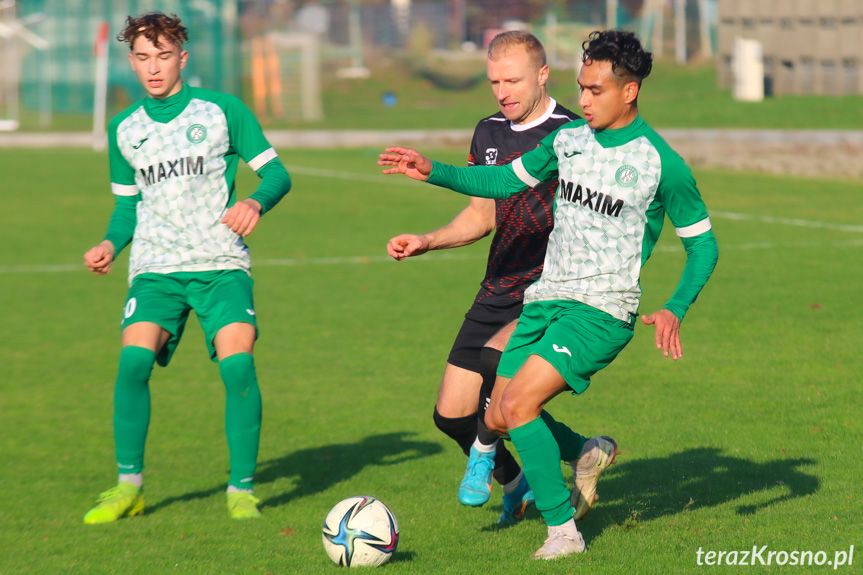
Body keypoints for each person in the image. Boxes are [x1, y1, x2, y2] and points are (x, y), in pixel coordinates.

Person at [379, 30, 718, 559]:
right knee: (493, 417)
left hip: (600, 310)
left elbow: (704, 248)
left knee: (514, 404)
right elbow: (501, 184)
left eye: (595, 91)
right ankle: (587, 453)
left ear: (629, 92)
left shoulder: (660, 162)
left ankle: (563, 532)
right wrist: (433, 173)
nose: (581, 101)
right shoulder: (567, 141)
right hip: (544, 300)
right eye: (580, 88)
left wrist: (675, 307)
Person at [82, 12, 292, 523]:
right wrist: (112, 243)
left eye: (163, 56)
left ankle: (241, 489)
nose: (153, 68)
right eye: (142, 58)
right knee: (132, 363)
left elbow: (277, 174)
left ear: (183, 57)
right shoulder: (123, 129)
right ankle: (128, 486)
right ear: (131, 61)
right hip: (155, 268)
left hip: (220, 263)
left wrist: (256, 203)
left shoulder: (222, 110)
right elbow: (128, 205)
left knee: (237, 363)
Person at [386, 31, 577, 523]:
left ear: (542, 75)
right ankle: (518, 480)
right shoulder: (488, 131)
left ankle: (563, 454)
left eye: (512, 80)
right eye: (494, 81)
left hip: (547, 291)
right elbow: (482, 216)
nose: (502, 91)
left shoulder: (573, 134)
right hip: (498, 286)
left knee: (502, 381)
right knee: (451, 416)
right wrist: (427, 240)